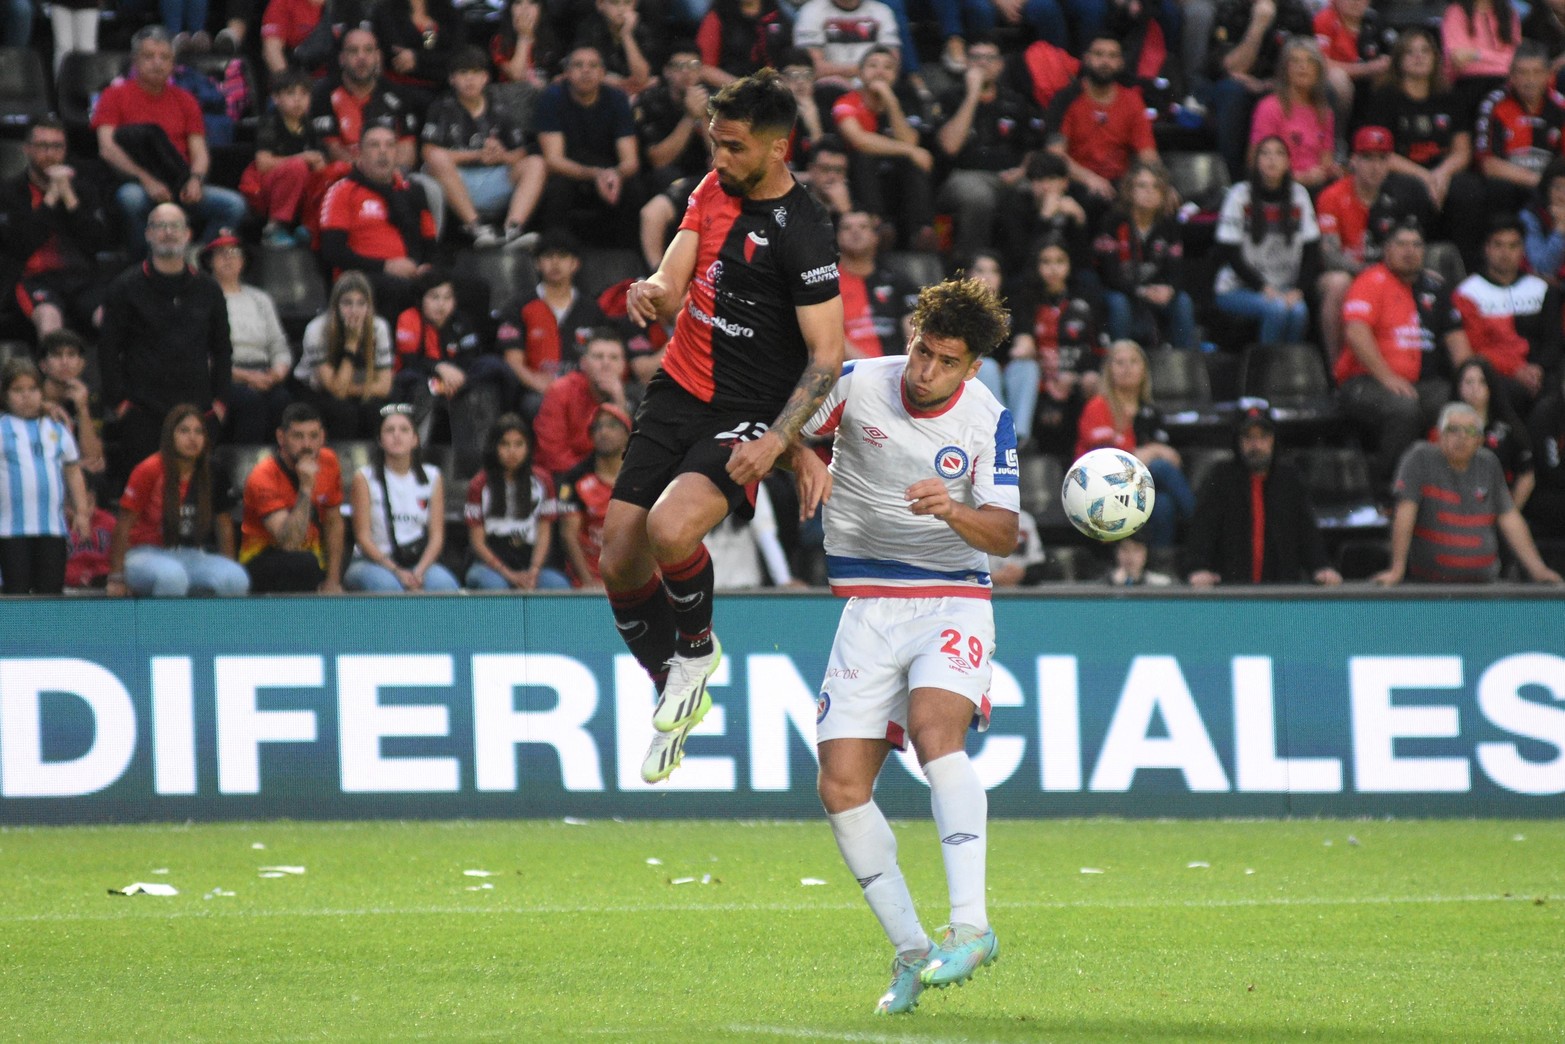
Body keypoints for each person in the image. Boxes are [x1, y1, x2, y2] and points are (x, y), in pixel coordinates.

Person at [604, 70, 844, 784]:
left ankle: (698, 649)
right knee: (617, 555)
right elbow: (673, 281)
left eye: (733, 147)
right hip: (677, 388)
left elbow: (828, 357)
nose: (718, 159)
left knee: (670, 530)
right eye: (715, 142)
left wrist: (780, 439)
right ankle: (674, 683)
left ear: (778, 148)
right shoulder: (712, 191)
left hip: (747, 412)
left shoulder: (804, 232)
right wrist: (650, 292)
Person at [786, 278, 1016, 1015]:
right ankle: (914, 953)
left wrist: (953, 509)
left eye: (944, 361)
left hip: (951, 595)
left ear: (971, 367)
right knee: (840, 786)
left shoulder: (986, 418)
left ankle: (971, 927)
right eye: (921, 350)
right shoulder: (856, 384)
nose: (923, 371)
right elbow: (783, 426)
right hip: (867, 601)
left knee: (932, 733)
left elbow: (1005, 535)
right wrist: (804, 458)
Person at [99, 203, 233, 498]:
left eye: (175, 226)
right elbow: (108, 350)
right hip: (141, 414)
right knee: (144, 501)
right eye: (160, 226)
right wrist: (120, 404)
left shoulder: (208, 289)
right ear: (148, 234)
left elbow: (223, 349)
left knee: (198, 499)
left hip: (197, 414)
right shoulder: (124, 287)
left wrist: (221, 403)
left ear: (188, 234)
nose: (168, 233)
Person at [1336, 221, 1472, 491]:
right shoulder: (1370, 281)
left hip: (1422, 383)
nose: (1410, 251)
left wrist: (1472, 379)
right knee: (1404, 409)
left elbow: (1456, 338)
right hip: (1364, 381)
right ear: (1387, 249)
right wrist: (1386, 377)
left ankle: (1449, 485)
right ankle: (1389, 485)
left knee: (1456, 403)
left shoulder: (1435, 287)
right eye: (1401, 244)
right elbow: (1356, 333)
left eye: (1416, 245)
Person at [90, 26, 248, 257]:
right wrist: (146, 180)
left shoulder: (185, 99)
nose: (157, 63)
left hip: (179, 180)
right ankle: (145, 263)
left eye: (164, 57)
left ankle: (194, 259)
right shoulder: (114, 95)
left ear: (173, 62)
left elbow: (200, 152)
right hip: (136, 181)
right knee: (131, 198)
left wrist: (195, 180)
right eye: (149, 56)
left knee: (234, 205)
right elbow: (107, 148)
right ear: (135, 60)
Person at [1375, 402, 1561, 584]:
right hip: (1430, 587)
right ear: (1439, 435)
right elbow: (1405, 512)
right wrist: (1396, 569)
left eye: (1471, 431)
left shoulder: (1489, 463)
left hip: (1485, 586)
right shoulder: (1419, 458)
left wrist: (1539, 570)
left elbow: (1510, 518)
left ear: (1480, 440)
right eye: (1453, 429)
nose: (1462, 437)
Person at [1315, 125, 1436, 364]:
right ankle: (1336, 369)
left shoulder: (1402, 195)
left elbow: (1413, 244)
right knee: (1339, 283)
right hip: (1347, 272)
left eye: (1382, 159)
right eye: (1367, 158)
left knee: (1430, 275)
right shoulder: (1333, 196)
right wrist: (1373, 273)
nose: (1375, 166)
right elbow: (1329, 257)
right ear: (1353, 161)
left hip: (1386, 272)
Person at [1186, 404, 1342, 587]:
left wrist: (1320, 566)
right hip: (1230, 593)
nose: (1256, 445)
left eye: (1263, 437)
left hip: (1280, 594)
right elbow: (1203, 529)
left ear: (1273, 440)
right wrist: (1198, 568)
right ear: (1238, 441)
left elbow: (1307, 530)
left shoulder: (1289, 480)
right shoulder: (1221, 478)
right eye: (1249, 438)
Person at [107, 403, 249, 597]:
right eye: (184, 431)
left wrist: (228, 563)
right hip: (143, 554)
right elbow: (123, 526)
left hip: (192, 554)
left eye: (199, 432)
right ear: (169, 436)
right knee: (172, 577)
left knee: (236, 578)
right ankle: (165, 627)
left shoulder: (212, 471)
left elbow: (223, 525)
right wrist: (116, 577)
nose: (192, 438)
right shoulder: (149, 469)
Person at [419, 46, 545, 247]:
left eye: (476, 73)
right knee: (435, 159)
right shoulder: (441, 107)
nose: (470, 80)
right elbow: (428, 153)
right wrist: (477, 155)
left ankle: (513, 230)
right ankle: (477, 228)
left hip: (494, 178)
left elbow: (520, 151)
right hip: (458, 183)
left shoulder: (500, 106)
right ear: (452, 79)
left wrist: (501, 156)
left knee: (536, 162)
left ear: (486, 77)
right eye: (463, 73)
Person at [0, 116, 112, 340]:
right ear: (27, 149)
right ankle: (57, 375)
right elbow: (19, 245)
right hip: (33, 279)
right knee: (50, 320)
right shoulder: (9, 192)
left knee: (112, 319)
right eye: (42, 146)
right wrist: (51, 198)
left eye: (57, 146)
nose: (50, 153)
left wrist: (69, 197)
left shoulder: (84, 191)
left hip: (81, 278)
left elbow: (96, 242)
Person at [1075, 339, 1193, 548]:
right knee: (1160, 468)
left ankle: (1159, 563)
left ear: (1144, 370)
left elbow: (1173, 458)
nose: (1127, 368)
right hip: (1099, 490)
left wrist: (1151, 452)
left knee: (1163, 503)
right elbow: (1103, 461)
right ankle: (1198, 523)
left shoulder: (1149, 411)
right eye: (1119, 363)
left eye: (1133, 362)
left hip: (1135, 489)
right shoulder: (1098, 406)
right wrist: (1150, 452)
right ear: (1109, 370)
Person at [933, 33, 1038, 262]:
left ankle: (1022, 266)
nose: (982, 63)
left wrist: (1022, 170)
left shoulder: (1015, 101)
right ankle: (969, 266)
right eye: (976, 57)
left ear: (1000, 65)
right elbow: (950, 146)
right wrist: (972, 94)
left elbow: (1031, 146)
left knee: (1033, 191)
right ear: (967, 63)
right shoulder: (950, 98)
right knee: (978, 196)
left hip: (1010, 174)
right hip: (962, 176)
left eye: (989, 58)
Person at [319, 123, 439, 321]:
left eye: (389, 146)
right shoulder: (342, 190)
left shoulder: (413, 192)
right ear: (359, 152)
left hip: (411, 272)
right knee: (399, 289)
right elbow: (333, 251)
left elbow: (431, 244)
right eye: (374, 146)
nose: (382, 152)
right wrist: (385, 266)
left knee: (474, 290)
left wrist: (427, 267)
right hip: (361, 276)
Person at [1210, 135, 1319, 347]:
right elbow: (1230, 252)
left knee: (1299, 311)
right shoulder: (1239, 195)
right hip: (1239, 287)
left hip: (1285, 286)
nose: (1272, 159)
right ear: (1256, 161)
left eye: (1279, 154)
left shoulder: (1299, 195)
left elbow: (1311, 249)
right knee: (1276, 309)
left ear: (1288, 162)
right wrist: (1262, 287)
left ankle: (1289, 369)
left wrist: (1299, 289)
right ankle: (1266, 371)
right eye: (1265, 153)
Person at [533, 45, 643, 249]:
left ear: (603, 73)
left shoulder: (617, 99)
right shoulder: (552, 97)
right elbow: (553, 160)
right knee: (557, 190)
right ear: (566, 73)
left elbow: (631, 161)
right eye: (578, 65)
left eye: (593, 66)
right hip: (568, 171)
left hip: (608, 168)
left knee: (634, 188)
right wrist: (595, 174)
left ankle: (630, 257)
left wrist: (613, 175)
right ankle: (555, 254)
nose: (586, 71)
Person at [829, 46, 936, 252]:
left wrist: (889, 100)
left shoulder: (905, 100)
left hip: (899, 179)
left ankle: (921, 232)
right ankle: (878, 226)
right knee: (865, 155)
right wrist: (909, 151)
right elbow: (859, 140)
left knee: (915, 164)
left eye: (888, 67)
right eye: (872, 65)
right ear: (860, 73)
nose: (879, 72)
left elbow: (910, 140)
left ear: (896, 75)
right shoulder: (847, 101)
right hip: (861, 177)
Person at [343, 403, 459, 592]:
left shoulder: (433, 476)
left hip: (418, 561)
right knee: (388, 587)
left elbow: (437, 536)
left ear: (415, 439)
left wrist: (419, 572)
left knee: (445, 585)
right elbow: (363, 538)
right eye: (389, 430)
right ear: (380, 440)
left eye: (404, 430)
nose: (397, 435)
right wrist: (396, 571)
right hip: (374, 562)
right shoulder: (364, 477)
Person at [0, 359, 92, 595]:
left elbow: (73, 472)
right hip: (10, 531)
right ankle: (16, 634)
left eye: (32, 389)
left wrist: (82, 512)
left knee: (50, 595)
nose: (26, 396)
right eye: (18, 390)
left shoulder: (57, 430)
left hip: (52, 529)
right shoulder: (2, 429)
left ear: (41, 392)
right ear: (6, 395)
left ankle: (45, 634)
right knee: (16, 594)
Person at [1453, 215, 1562, 413]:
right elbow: (1475, 347)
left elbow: (1553, 340)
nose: (1506, 253)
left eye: (1513, 246)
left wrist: (1538, 368)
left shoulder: (1541, 289)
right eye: (1498, 245)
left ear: (1523, 250)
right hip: (1496, 374)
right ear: (1487, 248)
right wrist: (1515, 370)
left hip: (1541, 371)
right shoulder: (1468, 292)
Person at [495, 229, 609, 416]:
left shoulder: (592, 310)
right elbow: (512, 361)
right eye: (548, 256)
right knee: (538, 405)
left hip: (584, 391)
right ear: (537, 264)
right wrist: (540, 384)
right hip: (537, 392)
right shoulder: (518, 307)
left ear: (575, 263)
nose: (555, 263)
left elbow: (606, 355)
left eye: (563, 256)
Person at [1044, 35, 1159, 213]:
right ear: (1087, 58)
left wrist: (1161, 185)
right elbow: (1055, 155)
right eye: (1099, 54)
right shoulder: (1065, 99)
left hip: (1120, 181)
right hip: (1077, 180)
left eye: (1112, 56)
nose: (1105, 61)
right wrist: (1089, 178)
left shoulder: (1132, 100)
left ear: (1121, 62)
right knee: (1094, 200)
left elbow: (1147, 154)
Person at [1472, 42, 1565, 263]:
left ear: (1548, 75)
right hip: (1511, 184)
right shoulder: (1495, 103)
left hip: (1550, 189)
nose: (1529, 80)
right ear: (1511, 75)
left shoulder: (1560, 107)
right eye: (1522, 72)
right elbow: (1488, 163)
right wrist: (1538, 180)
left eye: (1536, 72)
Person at [239, 401, 345, 593]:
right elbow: (289, 542)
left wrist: (333, 579)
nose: (307, 445)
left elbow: (333, 522)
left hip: (311, 554)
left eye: (314, 436)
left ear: (322, 436)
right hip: (262, 557)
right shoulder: (263, 475)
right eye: (298, 436)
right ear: (281, 437)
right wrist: (306, 488)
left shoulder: (329, 461)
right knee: (305, 564)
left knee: (323, 558)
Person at [1010, 235, 1100, 457]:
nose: (1053, 269)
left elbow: (1096, 348)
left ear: (1069, 265)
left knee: (1092, 384)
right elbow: (1020, 347)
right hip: (1040, 386)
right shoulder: (1024, 301)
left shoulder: (1085, 301)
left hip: (1074, 383)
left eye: (1060, 261)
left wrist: (1076, 376)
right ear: (1036, 266)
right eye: (1046, 262)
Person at [1093, 159, 1195, 351]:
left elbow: (1177, 269)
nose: (1149, 192)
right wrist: (1141, 291)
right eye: (1142, 185)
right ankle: (1119, 361)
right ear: (1130, 190)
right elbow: (1109, 275)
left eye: (1156, 187)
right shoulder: (1113, 222)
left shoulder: (1169, 225)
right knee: (1118, 303)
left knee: (1182, 302)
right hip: (1119, 290)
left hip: (1153, 290)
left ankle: (1186, 361)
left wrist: (1170, 289)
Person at [465, 413, 571, 590]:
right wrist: (508, 574)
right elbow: (477, 542)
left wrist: (534, 571)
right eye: (504, 444)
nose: (511, 451)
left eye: (518, 444)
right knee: (494, 585)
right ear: (494, 447)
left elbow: (544, 533)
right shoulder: (479, 484)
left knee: (557, 584)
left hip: (529, 560)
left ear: (528, 447)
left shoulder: (543, 481)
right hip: (491, 562)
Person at [208, 233, 294, 444]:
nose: (228, 258)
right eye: (221, 253)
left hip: (264, 372)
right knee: (249, 401)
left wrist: (276, 373)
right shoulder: (204, 298)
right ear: (209, 261)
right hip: (225, 375)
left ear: (243, 261)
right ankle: (244, 465)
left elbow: (278, 344)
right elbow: (202, 354)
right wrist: (246, 377)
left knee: (282, 400)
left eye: (235, 253)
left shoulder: (260, 299)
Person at [295, 270, 396, 440]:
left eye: (361, 303)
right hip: (316, 390)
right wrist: (351, 344)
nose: (354, 311)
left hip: (357, 387)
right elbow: (336, 391)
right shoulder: (317, 330)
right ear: (336, 306)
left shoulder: (379, 327)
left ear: (369, 306)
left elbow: (384, 387)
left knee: (374, 410)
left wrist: (353, 390)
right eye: (347, 303)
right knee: (343, 413)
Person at [239, 69, 332, 249]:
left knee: (331, 173)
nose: (298, 100)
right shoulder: (270, 123)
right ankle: (274, 228)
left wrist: (319, 163)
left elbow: (320, 161)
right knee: (297, 166)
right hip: (264, 188)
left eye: (304, 94)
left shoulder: (309, 126)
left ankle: (309, 227)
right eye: (290, 94)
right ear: (276, 98)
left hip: (297, 185)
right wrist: (303, 158)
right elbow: (263, 164)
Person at [534, 330, 632, 475]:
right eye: (598, 357)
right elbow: (553, 454)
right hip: (568, 476)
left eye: (614, 358)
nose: (606, 364)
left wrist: (619, 401)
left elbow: (636, 454)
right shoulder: (560, 391)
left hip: (613, 476)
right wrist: (590, 477)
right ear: (583, 363)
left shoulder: (636, 395)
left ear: (624, 365)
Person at [1248, 36, 1339, 191]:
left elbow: (1326, 160)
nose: (1302, 67)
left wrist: (1327, 171)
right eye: (1295, 61)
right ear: (1285, 70)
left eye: (1309, 61)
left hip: (1316, 185)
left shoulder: (1324, 112)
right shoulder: (1270, 107)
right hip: (1280, 186)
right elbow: (1255, 161)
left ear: (1318, 70)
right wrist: (1299, 178)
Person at [557, 402, 631, 588]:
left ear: (628, 433)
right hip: (588, 578)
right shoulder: (575, 479)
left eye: (612, 425)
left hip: (633, 574)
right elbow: (568, 535)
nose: (603, 432)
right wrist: (588, 582)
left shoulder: (642, 477)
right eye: (597, 427)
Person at [1450, 356, 1534, 509]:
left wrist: (1510, 512)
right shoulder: (1445, 427)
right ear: (1458, 387)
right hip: (1453, 505)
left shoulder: (1508, 430)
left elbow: (1527, 475)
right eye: (1468, 382)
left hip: (1496, 508)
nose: (1475, 388)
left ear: (1491, 386)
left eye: (1482, 381)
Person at [837, 210, 917, 360]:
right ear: (836, 237)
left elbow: (914, 327)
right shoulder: (827, 284)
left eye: (863, 227)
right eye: (846, 228)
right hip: (849, 372)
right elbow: (829, 336)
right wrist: (870, 370)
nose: (855, 232)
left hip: (897, 370)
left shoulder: (897, 280)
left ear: (876, 237)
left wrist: (907, 365)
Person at [637, 42, 714, 194]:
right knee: (664, 176)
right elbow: (658, 160)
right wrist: (690, 116)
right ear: (666, 71)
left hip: (701, 173)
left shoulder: (714, 99)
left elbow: (719, 152)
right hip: (666, 176)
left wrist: (703, 114)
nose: (686, 72)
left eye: (693, 66)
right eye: (679, 66)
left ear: (700, 71)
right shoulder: (650, 101)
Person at [36, 330, 105, 476]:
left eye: (71, 354)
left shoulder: (89, 398)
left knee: (94, 476)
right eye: (56, 355)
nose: (64, 362)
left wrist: (82, 409)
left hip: (74, 471)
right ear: (43, 365)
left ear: (82, 363)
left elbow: (93, 458)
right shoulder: (31, 395)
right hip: (38, 468)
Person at [370, 0, 468, 98]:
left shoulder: (449, 12)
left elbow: (455, 55)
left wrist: (417, 58)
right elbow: (396, 55)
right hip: (398, 90)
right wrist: (433, 61)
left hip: (442, 90)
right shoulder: (386, 11)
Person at [1443, 0, 1521, 121]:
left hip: (1505, 82)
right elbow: (1458, 59)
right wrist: (1500, 59)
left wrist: (1476, 54)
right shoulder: (1456, 12)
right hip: (1469, 85)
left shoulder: (1508, 13)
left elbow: (1515, 59)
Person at [793, 0, 901, 82]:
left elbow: (892, 63)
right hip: (829, 86)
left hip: (874, 85)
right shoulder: (811, 11)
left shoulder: (882, 11)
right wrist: (866, 71)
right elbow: (814, 67)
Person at [573, 0, 661, 97]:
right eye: (614, 3)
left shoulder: (643, 30)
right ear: (600, 4)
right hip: (601, 92)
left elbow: (641, 78)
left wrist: (627, 35)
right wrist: (620, 83)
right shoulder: (589, 29)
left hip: (636, 94)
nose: (621, 9)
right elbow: (585, 71)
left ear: (635, 4)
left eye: (627, 3)